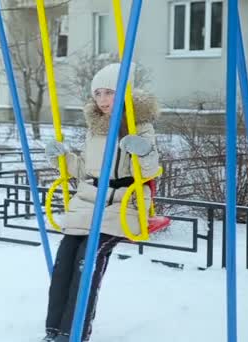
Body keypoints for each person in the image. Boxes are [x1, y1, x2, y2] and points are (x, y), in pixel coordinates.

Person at [41, 63, 161, 342]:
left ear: (125, 92)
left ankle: (75, 333)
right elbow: (85, 171)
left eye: (110, 92)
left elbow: (148, 170)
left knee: (87, 259)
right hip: (88, 202)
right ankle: (54, 330)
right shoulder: (94, 128)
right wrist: (62, 158)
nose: (103, 100)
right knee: (64, 261)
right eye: (98, 93)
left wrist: (143, 151)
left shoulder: (139, 125)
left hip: (123, 205)